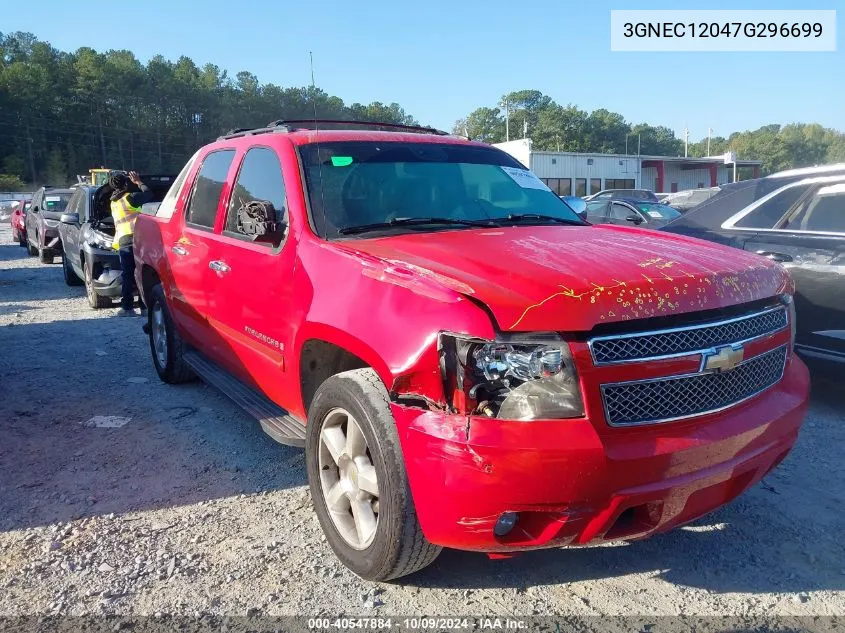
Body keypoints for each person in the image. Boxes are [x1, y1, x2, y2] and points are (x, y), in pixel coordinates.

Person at [109, 170, 152, 316]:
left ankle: (127, 308)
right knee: (140, 272)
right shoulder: (129, 198)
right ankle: (144, 307)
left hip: (122, 240)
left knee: (127, 274)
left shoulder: (114, 202)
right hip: (136, 238)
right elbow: (148, 194)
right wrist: (138, 182)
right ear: (126, 183)